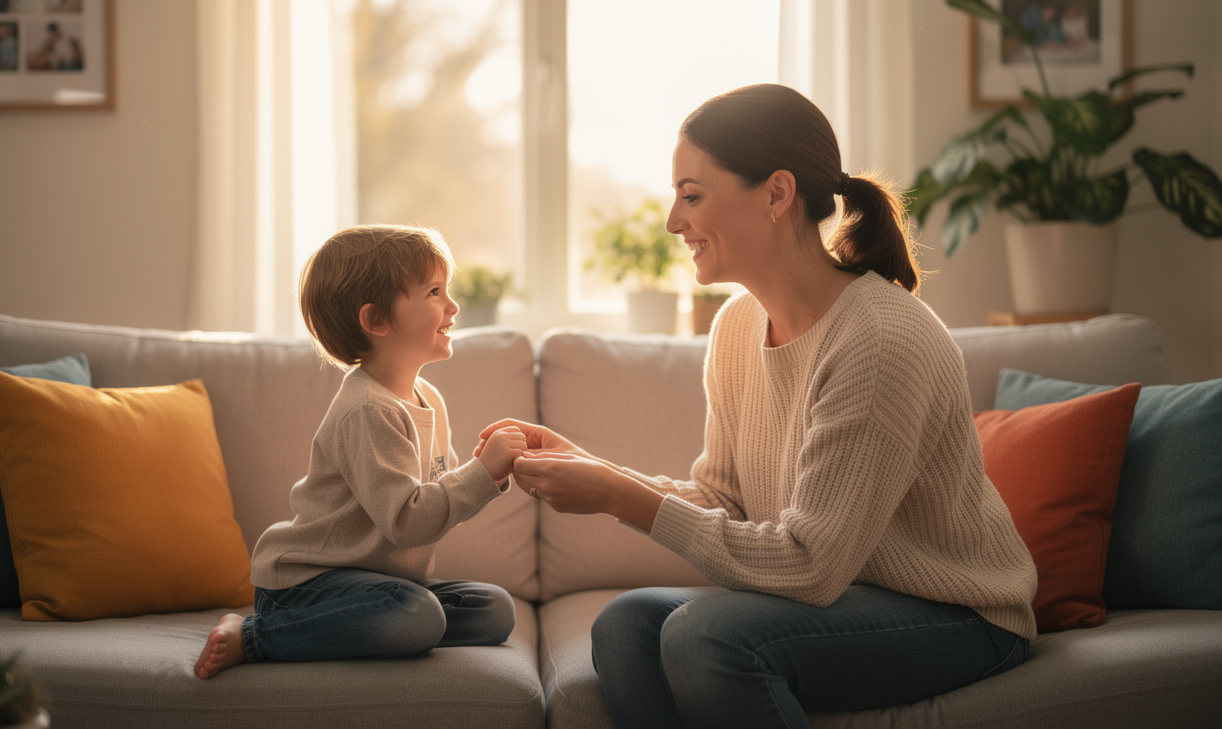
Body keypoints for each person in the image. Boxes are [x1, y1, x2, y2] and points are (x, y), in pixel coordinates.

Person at [479, 84, 1038, 728]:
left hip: (958, 614)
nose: (673, 222)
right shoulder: (739, 326)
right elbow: (727, 503)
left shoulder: (880, 339)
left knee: (706, 636)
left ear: (777, 194)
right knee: (625, 626)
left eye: (692, 196)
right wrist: (600, 470)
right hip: (851, 598)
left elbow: (811, 566)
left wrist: (614, 496)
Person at [195, 225, 527, 679]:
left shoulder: (429, 397)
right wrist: (479, 476)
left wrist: (486, 470)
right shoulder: (366, 409)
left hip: (381, 583)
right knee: (418, 616)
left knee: (494, 610)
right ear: (376, 321)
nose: (452, 306)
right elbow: (408, 522)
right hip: (307, 583)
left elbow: (441, 502)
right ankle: (256, 635)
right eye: (433, 292)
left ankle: (371, 627)